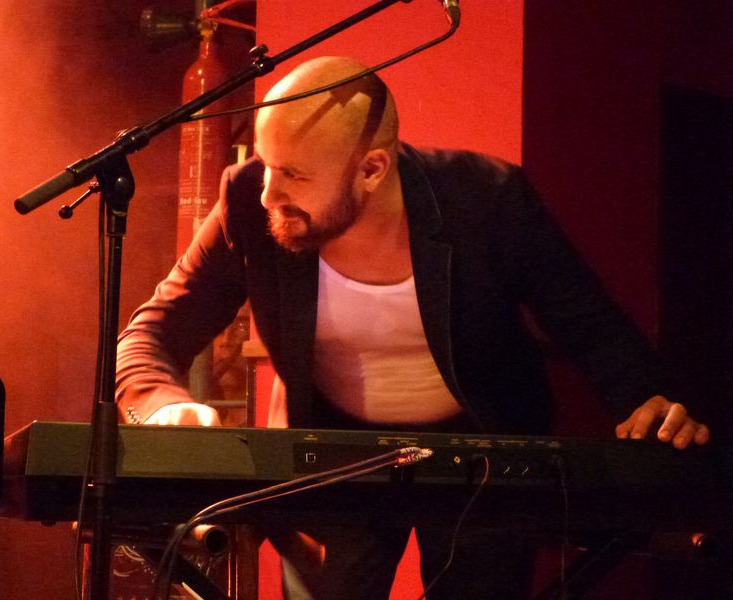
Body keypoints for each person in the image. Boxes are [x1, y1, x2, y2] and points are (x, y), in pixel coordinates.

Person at [116, 56, 709, 599]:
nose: (269, 192)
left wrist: (648, 399)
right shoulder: (249, 200)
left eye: (292, 174)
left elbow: (590, 323)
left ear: (372, 169)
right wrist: (163, 405)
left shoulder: (488, 200)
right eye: (266, 164)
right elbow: (152, 333)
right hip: (333, 453)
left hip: (483, 453)